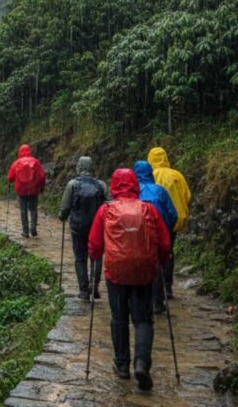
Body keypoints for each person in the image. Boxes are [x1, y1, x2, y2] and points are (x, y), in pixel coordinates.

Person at [88, 169, 171, 391]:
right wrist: (160, 262)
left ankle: (122, 364)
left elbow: (95, 243)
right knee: (143, 319)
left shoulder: (106, 210)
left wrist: (94, 257)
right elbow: (164, 243)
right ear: (135, 185)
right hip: (144, 272)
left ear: (114, 186)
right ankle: (142, 364)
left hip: (116, 271)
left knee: (119, 317)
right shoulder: (149, 209)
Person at [58, 156, 109, 300]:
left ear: (79, 167)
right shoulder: (101, 185)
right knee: (96, 256)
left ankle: (84, 290)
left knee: (80, 258)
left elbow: (65, 206)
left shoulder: (72, 184)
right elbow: (109, 204)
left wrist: (62, 216)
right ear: (92, 168)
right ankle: (95, 286)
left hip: (78, 228)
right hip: (97, 228)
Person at [133, 160, 179, 314]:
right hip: (158, 233)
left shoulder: (133, 191)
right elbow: (173, 214)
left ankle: (138, 300)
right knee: (157, 266)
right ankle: (157, 302)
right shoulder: (160, 191)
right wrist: (166, 229)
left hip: (137, 234)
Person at [148, 147, 191, 299]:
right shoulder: (177, 175)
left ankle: (154, 286)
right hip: (174, 220)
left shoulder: (151, 175)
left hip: (154, 220)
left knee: (153, 252)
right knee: (169, 250)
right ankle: (168, 285)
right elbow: (187, 195)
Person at [7, 145, 46, 238]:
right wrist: (42, 188)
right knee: (33, 209)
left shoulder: (16, 163)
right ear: (29, 151)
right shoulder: (35, 162)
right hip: (34, 190)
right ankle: (33, 228)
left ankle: (25, 231)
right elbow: (42, 176)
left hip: (21, 191)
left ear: (20, 152)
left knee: (23, 210)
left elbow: (10, 178)